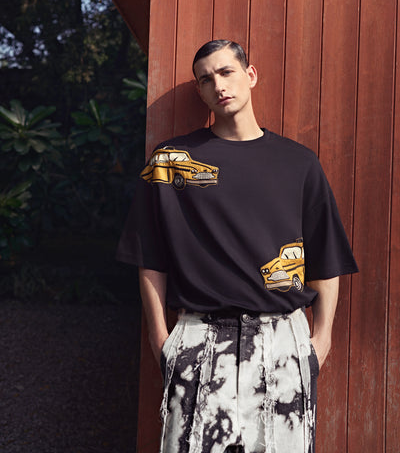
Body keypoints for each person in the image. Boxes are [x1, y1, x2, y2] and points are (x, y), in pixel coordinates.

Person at [117, 39, 358, 453]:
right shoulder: (171, 160)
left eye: (226, 72)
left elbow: (325, 258)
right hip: (200, 336)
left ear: (250, 75)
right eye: (205, 79)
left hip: (283, 340)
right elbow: (149, 257)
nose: (218, 85)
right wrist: (161, 340)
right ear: (200, 91)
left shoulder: (299, 162)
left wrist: (322, 340)